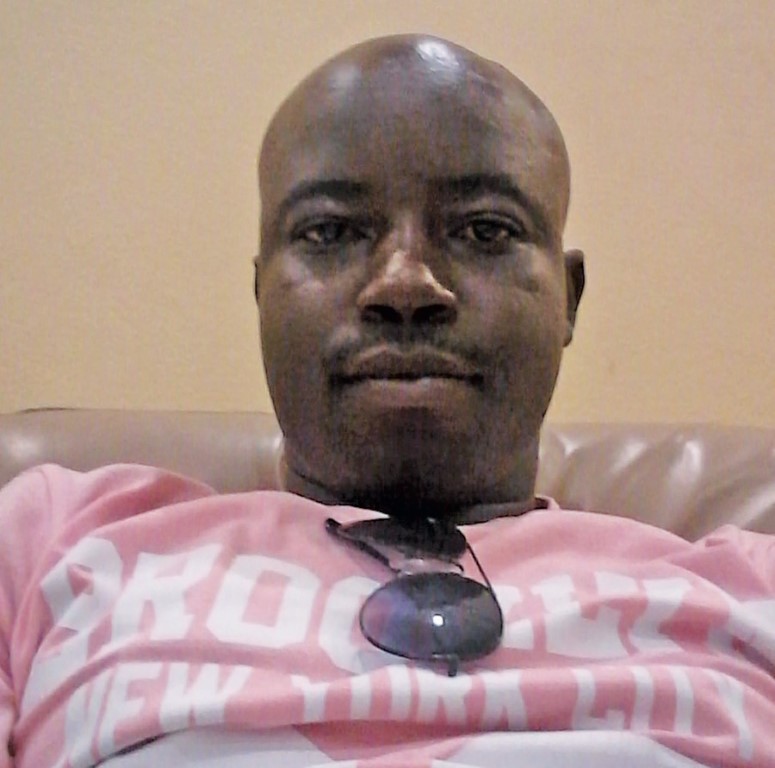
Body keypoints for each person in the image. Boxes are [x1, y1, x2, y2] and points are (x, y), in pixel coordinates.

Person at [0, 34, 773, 768]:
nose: (404, 284)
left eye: (484, 230)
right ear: (262, 293)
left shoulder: (750, 589)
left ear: (566, 299)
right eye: (330, 231)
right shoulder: (51, 538)